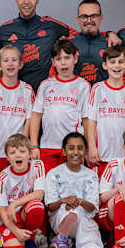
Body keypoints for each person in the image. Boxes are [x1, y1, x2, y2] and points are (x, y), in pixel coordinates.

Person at [0, 0, 77, 89]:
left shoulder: (51, 25)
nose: (26, 2)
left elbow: (79, 38)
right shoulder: (4, 30)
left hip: (48, 93)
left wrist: (63, 47)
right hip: (17, 95)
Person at [30, 39, 91, 171]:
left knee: (71, 185)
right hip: (48, 146)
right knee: (48, 187)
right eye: (58, 59)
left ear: (75, 58)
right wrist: (34, 145)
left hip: (73, 147)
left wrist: (86, 147)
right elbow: (36, 116)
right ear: (53, 62)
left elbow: (86, 120)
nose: (63, 62)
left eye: (67, 57)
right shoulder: (45, 85)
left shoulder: (83, 86)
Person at [44, 132, 103, 248]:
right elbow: (51, 207)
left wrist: (80, 201)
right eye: (71, 148)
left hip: (84, 221)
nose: (75, 152)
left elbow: (92, 208)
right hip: (61, 218)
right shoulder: (54, 174)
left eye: (80, 148)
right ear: (64, 151)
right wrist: (63, 201)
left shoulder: (91, 175)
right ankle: (61, 239)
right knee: (73, 211)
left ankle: (74, 241)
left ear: (85, 151)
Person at [83, 45, 125, 175]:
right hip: (101, 155)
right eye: (112, 62)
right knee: (100, 194)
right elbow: (91, 121)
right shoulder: (97, 89)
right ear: (104, 65)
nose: (116, 66)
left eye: (120, 62)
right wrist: (91, 147)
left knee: (122, 194)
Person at [0, 44, 35, 182]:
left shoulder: (27, 89)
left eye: (14, 60)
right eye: (6, 60)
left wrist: (22, 146)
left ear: (21, 64)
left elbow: (29, 120)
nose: (10, 64)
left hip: (17, 154)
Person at [0, 134, 47, 248]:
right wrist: (16, 231)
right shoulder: (3, 178)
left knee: (36, 206)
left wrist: (14, 204)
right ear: (7, 158)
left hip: (25, 215)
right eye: (12, 153)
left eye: (22, 151)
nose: (18, 155)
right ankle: (7, 236)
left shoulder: (37, 166)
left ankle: (30, 239)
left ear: (30, 154)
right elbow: (2, 211)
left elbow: (39, 194)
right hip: (10, 219)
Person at [70, 0, 111, 84]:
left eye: (93, 16)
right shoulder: (69, 43)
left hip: (102, 97)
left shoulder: (111, 43)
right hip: (76, 96)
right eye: (84, 16)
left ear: (101, 18)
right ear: (78, 19)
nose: (89, 20)